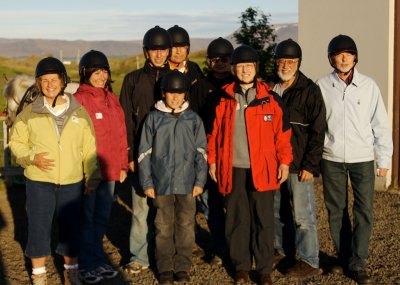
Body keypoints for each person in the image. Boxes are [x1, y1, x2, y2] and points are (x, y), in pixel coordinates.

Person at [9, 57, 102, 285]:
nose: (50, 84)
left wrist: (92, 175)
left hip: (71, 181)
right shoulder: (28, 113)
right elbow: (16, 144)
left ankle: (71, 273)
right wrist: (32, 158)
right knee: (38, 229)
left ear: (63, 81)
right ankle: (39, 276)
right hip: (39, 180)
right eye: (44, 80)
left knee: (71, 229)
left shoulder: (80, 113)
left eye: (54, 80)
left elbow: (89, 147)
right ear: (38, 84)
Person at [207, 45, 293, 285]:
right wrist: (212, 161)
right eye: (241, 66)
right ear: (234, 69)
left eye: (249, 66)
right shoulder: (222, 98)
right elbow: (213, 134)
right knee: (237, 219)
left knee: (263, 220)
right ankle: (241, 267)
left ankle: (264, 269)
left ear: (256, 68)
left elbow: (283, 134)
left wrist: (285, 162)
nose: (245, 70)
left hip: (262, 169)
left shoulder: (270, 99)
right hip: (232, 167)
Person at [316, 34, 393, 285]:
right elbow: (317, 126)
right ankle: (344, 257)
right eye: (339, 54)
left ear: (355, 57)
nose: (344, 58)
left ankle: (358, 262)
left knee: (364, 210)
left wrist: (384, 159)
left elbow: (380, 125)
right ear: (331, 58)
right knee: (336, 210)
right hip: (332, 158)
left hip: (363, 159)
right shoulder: (322, 86)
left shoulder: (369, 86)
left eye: (349, 53)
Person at [138, 70, 208, 285]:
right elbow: (143, 153)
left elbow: (201, 152)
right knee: (163, 226)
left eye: (180, 93)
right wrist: (147, 182)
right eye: (171, 93)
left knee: (186, 226)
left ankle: (183, 266)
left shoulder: (193, 119)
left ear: (186, 94)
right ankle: (165, 267)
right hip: (161, 184)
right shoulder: (153, 118)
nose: (175, 97)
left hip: (187, 184)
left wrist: (199, 181)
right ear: (163, 93)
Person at [119, 25, 171, 274]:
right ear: (146, 51)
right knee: (140, 209)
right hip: (141, 154)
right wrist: (129, 155)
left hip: (169, 155)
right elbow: (125, 121)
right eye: (154, 50)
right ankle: (139, 256)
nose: (159, 54)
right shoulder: (132, 80)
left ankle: (164, 255)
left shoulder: (177, 79)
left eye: (163, 50)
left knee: (166, 209)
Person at [272, 39, 326, 278]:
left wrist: (310, 165)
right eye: (281, 61)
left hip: (299, 165)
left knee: (303, 216)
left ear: (298, 63)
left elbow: (318, 131)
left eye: (290, 61)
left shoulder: (310, 90)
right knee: (277, 211)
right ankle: (282, 252)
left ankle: (309, 259)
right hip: (275, 164)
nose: (285, 65)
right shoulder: (271, 89)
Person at [74, 50, 129, 283]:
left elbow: (120, 134)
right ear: (86, 73)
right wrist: (84, 171)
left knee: (101, 219)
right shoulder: (79, 99)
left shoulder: (111, 98)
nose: (101, 76)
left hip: (111, 171)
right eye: (96, 72)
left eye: (104, 71)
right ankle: (86, 265)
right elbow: (76, 138)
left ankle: (97, 261)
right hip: (90, 172)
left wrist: (123, 164)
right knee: (86, 219)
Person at [189, 37, 235, 265]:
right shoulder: (199, 88)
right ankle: (219, 246)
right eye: (215, 59)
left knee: (237, 205)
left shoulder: (239, 85)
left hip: (235, 153)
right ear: (208, 61)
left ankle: (240, 247)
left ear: (232, 60)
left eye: (225, 59)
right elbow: (192, 122)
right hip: (207, 153)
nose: (220, 63)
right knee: (212, 204)